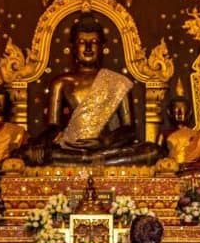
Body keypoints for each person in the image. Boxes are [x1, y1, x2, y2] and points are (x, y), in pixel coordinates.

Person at [22, 16, 165, 166]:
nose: (89, 47)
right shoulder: (61, 83)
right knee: (27, 154)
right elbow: (53, 126)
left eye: (94, 42)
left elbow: (129, 129)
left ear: (102, 47)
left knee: (154, 151)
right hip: (72, 149)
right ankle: (88, 160)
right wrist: (41, 143)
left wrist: (105, 140)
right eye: (82, 42)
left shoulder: (118, 82)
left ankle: (88, 160)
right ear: (73, 47)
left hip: (105, 149)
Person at [158, 79, 200, 178]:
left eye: (183, 110)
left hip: (190, 169)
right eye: (176, 110)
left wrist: (184, 166)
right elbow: (159, 159)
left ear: (189, 113)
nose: (180, 114)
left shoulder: (196, 135)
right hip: (170, 170)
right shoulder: (164, 134)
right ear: (169, 112)